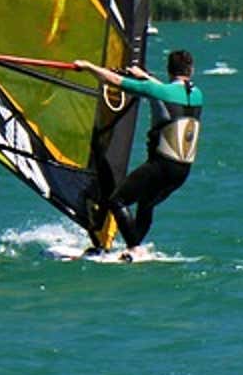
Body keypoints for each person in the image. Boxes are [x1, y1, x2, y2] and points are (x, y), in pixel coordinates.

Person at [74, 50, 203, 257]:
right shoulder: (197, 94)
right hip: (182, 171)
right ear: (191, 70)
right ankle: (134, 248)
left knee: (117, 201)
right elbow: (165, 89)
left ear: (169, 69)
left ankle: (134, 247)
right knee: (146, 204)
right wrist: (145, 77)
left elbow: (115, 80)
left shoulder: (158, 91)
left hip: (161, 165)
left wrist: (88, 66)